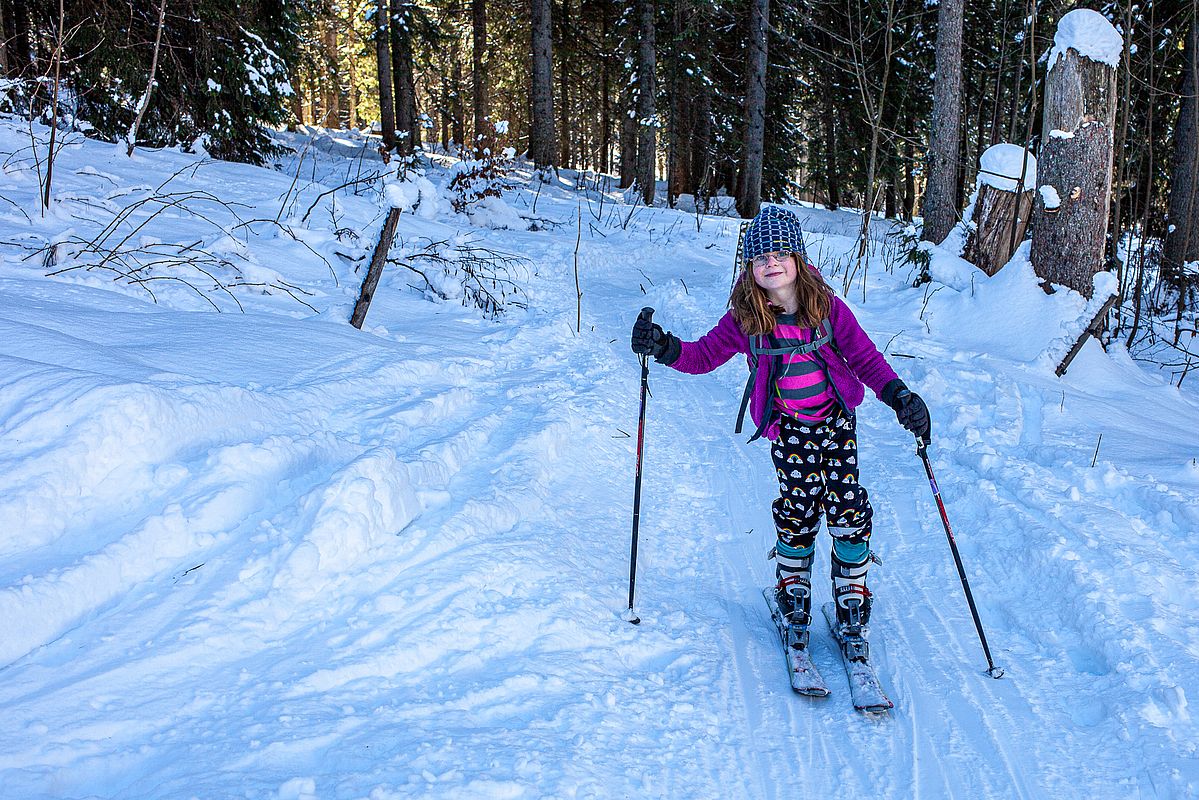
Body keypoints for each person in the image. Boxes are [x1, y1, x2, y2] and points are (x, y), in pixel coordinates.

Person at [629, 205, 930, 656]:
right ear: (750, 268)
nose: (771, 262)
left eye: (780, 253)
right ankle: (794, 588)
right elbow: (702, 357)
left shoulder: (828, 309)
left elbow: (867, 360)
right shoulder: (745, 318)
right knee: (799, 504)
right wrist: (665, 347)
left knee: (847, 503)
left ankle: (851, 596)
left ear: (798, 259)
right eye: (759, 257)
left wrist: (900, 395)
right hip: (787, 428)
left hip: (835, 423)